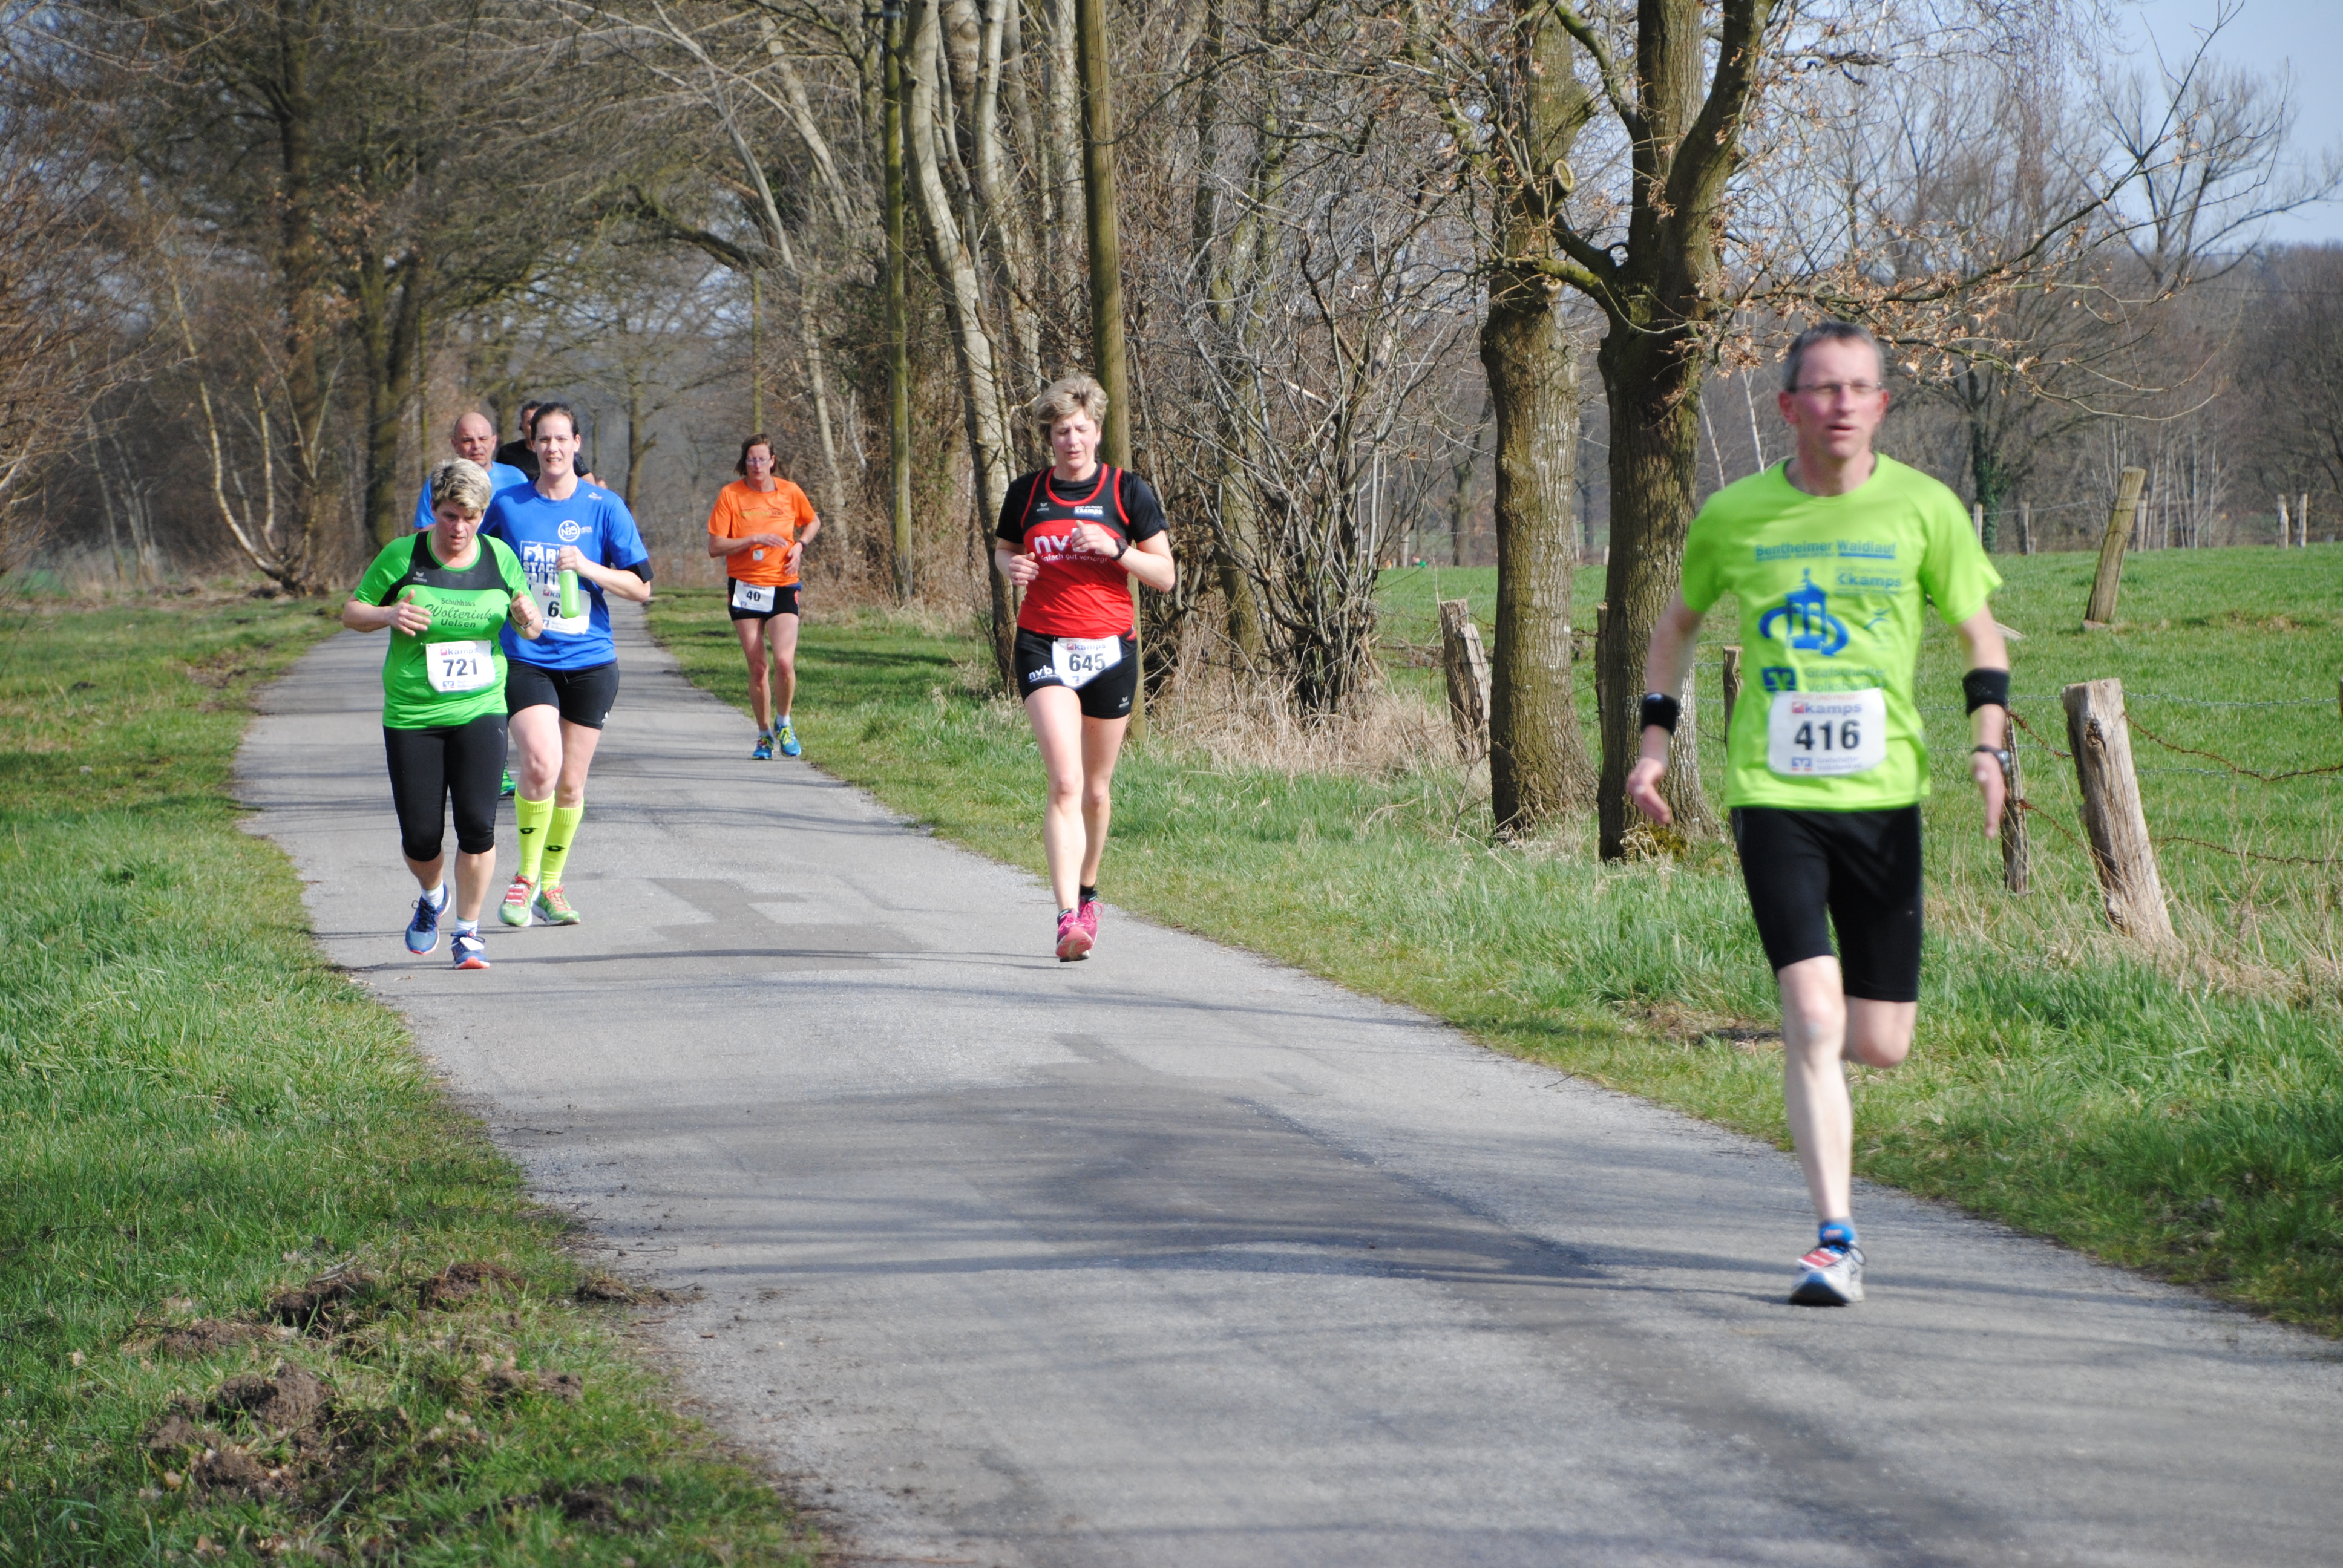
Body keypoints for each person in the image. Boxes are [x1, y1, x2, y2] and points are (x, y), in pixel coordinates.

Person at [1627, 321, 2009, 1307]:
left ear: (1882, 403)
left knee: (1880, 1043)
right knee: (1809, 1014)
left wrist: (1988, 743)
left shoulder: (1924, 509)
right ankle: (1835, 1238)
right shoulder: (1735, 516)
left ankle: (1821, 1056)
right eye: (1823, 388)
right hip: (1774, 794)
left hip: (1884, 799)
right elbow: (1674, 628)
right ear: (1788, 405)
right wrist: (1654, 744)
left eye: (1859, 387)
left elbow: (1978, 632)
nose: (1842, 403)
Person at [992, 374, 1177, 962]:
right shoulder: (1026, 493)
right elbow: (1004, 548)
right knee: (1066, 782)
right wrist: (1011, 568)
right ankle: (1066, 915)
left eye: (1079, 429)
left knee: (1096, 791)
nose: (1070, 440)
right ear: (1049, 438)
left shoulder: (1127, 492)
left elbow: (1165, 576)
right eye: (1059, 432)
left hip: (1109, 650)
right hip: (1043, 643)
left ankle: (1089, 890)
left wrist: (1117, 550)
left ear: (1096, 432)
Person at [343, 459, 545, 970]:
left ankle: (469, 933)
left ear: (483, 515)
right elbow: (352, 612)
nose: (459, 528)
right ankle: (433, 896)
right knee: (420, 838)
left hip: (481, 707)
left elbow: (530, 625)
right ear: (435, 510)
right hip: (414, 714)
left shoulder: (499, 557)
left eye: (470, 517)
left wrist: (528, 618)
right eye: (450, 516)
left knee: (477, 825)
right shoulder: (403, 556)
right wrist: (388, 613)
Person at [481, 400, 654, 929]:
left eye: (562, 439)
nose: (552, 448)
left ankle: (551, 887)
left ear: (577, 444)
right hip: (527, 655)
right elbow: (479, 564)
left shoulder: (604, 507)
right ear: (531, 444)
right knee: (539, 765)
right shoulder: (509, 505)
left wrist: (589, 567)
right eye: (544, 439)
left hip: (590, 661)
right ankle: (524, 878)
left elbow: (642, 588)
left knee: (572, 786)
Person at [706, 434, 821, 759]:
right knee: (758, 668)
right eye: (751, 459)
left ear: (773, 461)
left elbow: (812, 521)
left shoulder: (790, 492)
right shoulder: (731, 495)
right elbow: (715, 546)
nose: (757, 465)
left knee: (784, 662)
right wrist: (754, 538)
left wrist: (800, 545)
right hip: (746, 588)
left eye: (762, 459)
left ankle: (784, 722)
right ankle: (764, 735)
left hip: (783, 584)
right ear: (744, 462)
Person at [412, 412, 529, 531]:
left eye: (483, 439)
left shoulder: (516, 479)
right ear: (455, 445)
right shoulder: (441, 480)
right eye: (468, 440)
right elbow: (422, 531)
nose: (477, 446)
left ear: (494, 442)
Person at [493, 401, 542, 481]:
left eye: (537, 422)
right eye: (530, 423)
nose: (534, 427)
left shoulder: (552, 454)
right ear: (521, 425)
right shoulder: (507, 453)